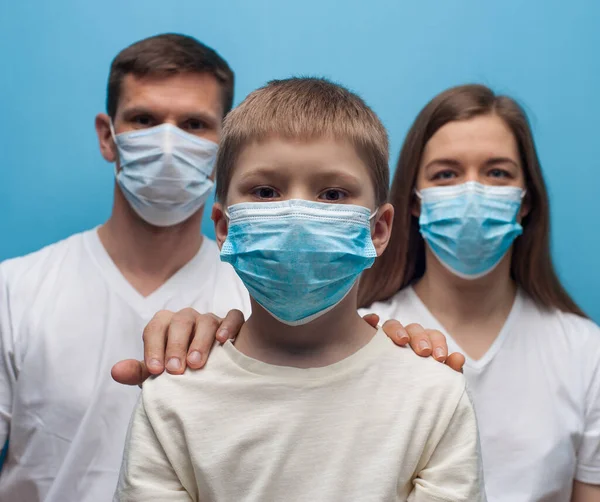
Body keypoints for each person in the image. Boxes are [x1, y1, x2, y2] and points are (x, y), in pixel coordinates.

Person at [115, 77, 485, 502]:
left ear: (379, 228)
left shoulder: (432, 396)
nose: (296, 217)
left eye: (331, 193)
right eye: (266, 191)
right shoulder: (174, 398)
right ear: (224, 227)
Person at [0, 34, 251, 501]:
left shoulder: (257, 302)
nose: (169, 144)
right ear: (106, 136)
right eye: (144, 120)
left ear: (227, 145)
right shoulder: (13, 291)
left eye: (194, 124)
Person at [357, 85, 600, 502]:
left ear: (525, 201)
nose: (473, 192)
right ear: (413, 201)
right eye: (446, 174)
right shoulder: (363, 336)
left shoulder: (585, 352)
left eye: (498, 173)